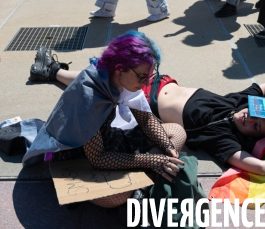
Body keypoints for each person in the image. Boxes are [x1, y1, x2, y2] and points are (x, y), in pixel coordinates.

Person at [30, 47, 265, 176]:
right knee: (106, 74)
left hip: (149, 100)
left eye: (254, 128)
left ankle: (53, 71)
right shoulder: (238, 103)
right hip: (160, 80)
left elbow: (258, 167)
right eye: (256, 115)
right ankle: (56, 71)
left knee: (101, 80)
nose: (249, 119)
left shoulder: (222, 136)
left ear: (249, 136)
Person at [24, 31, 187, 208]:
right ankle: (142, 181)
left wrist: (168, 150)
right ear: (119, 68)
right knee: (116, 198)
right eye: (142, 76)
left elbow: (146, 120)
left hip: (108, 139)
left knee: (177, 132)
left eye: (149, 75)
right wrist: (152, 160)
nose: (147, 82)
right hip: (78, 155)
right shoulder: (88, 97)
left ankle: (141, 182)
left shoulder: (123, 79)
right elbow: (98, 158)